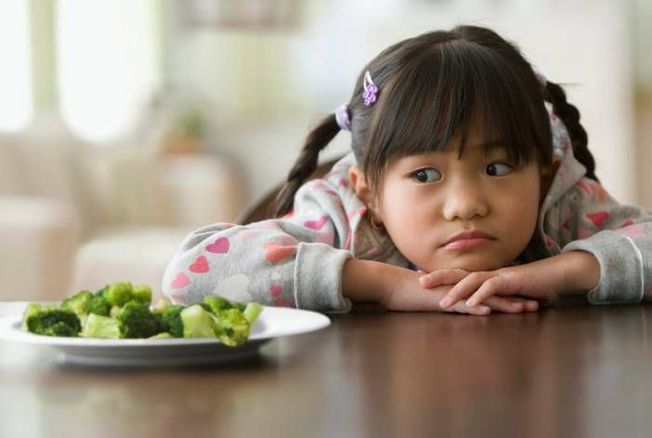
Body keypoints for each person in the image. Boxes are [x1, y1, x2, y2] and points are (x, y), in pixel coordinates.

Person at [162, 25, 652, 315]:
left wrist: (562, 273)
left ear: (543, 174)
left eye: (498, 166)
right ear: (369, 192)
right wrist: (388, 286)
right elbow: (189, 274)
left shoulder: (562, 205)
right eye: (424, 175)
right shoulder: (342, 219)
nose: (466, 204)